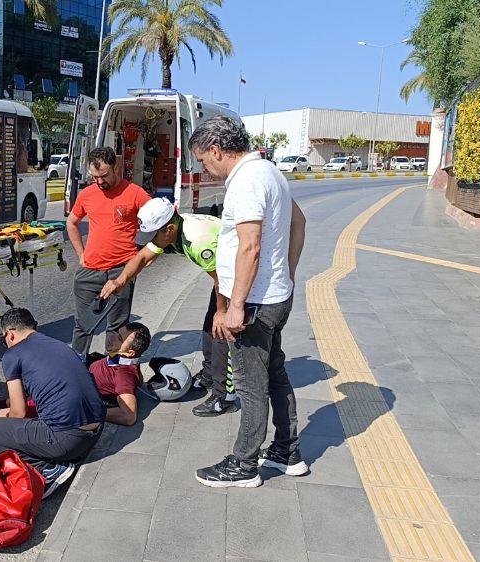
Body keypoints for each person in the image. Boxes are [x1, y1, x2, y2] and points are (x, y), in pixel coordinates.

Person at [184, 116, 307, 488]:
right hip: (274, 295)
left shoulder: (246, 182)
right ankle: (287, 452)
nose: (205, 168)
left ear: (217, 150)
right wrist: (287, 273)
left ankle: (244, 464)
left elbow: (250, 246)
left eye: (204, 161)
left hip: (254, 304)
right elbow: (298, 222)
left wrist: (235, 306)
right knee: (275, 374)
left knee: (252, 385)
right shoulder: (269, 172)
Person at [100, 197, 240, 417]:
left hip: (240, 277)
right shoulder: (170, 232)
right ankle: (210, 376)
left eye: (154, 235)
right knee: (208, 326)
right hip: (225, 276)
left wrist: (222, 312)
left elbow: (222, 279)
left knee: (221, 332)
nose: (151, 241)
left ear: (169, 229)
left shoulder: (197, 240)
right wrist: (120, 281)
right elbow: (142, 257)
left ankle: (225, 396)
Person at [0, 308, 107, 499]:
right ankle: (59, 458)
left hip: (67, 440)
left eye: (4, 339)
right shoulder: (60, 345)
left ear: (8, 334)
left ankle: (48, 469)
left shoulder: (13, 355)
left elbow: (18, 413)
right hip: (96, 432)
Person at [66, 146, 151, 355]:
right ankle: (77, 371)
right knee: (83, 326)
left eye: (104, 175)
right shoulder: (87, 194)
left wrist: (141, 259)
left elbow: (156, 225)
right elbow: (72, 223)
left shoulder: (135, 193)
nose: (99, 181)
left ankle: (111, 372)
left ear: (116, 167)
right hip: (89, 271)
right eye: (94, 176)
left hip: (120, 271)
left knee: (117, 329)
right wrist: (81, 255)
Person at [87, 322, 151, 426]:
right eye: (117, 332)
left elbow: (129, 416)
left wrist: (90, 414)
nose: (112, 337)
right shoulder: (127, 360)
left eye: (120, 339)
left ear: (130, 353)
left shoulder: (123, 375)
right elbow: (139, 381)